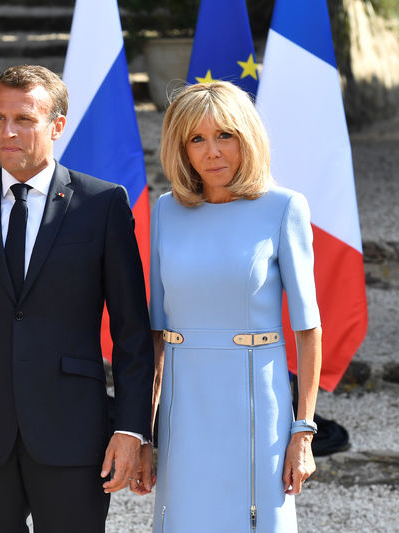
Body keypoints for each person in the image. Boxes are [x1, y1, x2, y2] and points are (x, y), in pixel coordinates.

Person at [0, 65, 155, 533]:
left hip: (73, 430)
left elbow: (131, 331)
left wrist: (131, 429)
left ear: (57, 125)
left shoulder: (102, 205)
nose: (8, 132)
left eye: (24, 119)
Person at [149, 81, 322, 532]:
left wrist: (302, 431)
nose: (213, 152)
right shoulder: (165, 210)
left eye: (225, 135)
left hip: (256, 404)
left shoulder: (285, 207)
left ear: (247, 136)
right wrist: (145, 433)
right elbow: (155, 332)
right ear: (182, 148)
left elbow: (308, 330)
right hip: (182, 407)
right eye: (197, 139)